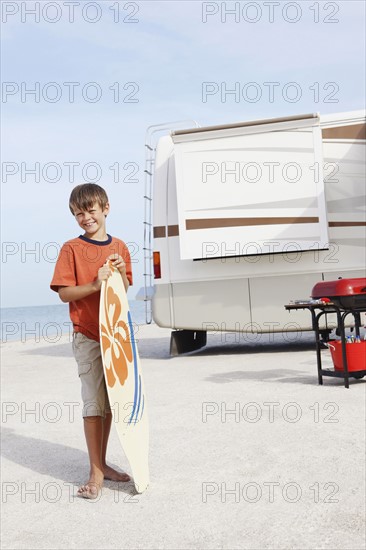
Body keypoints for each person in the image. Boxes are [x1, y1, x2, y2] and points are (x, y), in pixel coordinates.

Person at [50, 183, 133, 499]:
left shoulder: (121, 247)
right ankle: (95, 472)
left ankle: (103, 464)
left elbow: (123, 292)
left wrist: (122, 275)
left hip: (116, 336)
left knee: (111, 402)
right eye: (78, 213)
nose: (86, 217)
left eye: (91, 210)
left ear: (106, 208)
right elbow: (64, 294)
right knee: (92, 402)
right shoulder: (71, 249)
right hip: (87, 336)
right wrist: (94, 283)